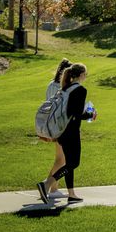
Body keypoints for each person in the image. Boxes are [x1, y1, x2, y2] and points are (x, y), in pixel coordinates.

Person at [37, 63, 94, 204]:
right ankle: (46, 184)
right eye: (85, 74)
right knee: (74, 163)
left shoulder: (65, 88)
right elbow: (75, 113)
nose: (85, 77)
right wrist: (90, 115)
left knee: (69, 162)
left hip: (61, 131)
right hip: (71, 131)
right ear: (81, 75)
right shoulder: (81, 90)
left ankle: (72, 194)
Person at [43, 59, 71, 199]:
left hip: (51, 125)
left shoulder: (50, 85)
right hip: (61, 126)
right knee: (61, 159)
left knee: (61, 158)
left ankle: (53, 188)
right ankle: (48, 186)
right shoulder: (64, 88)